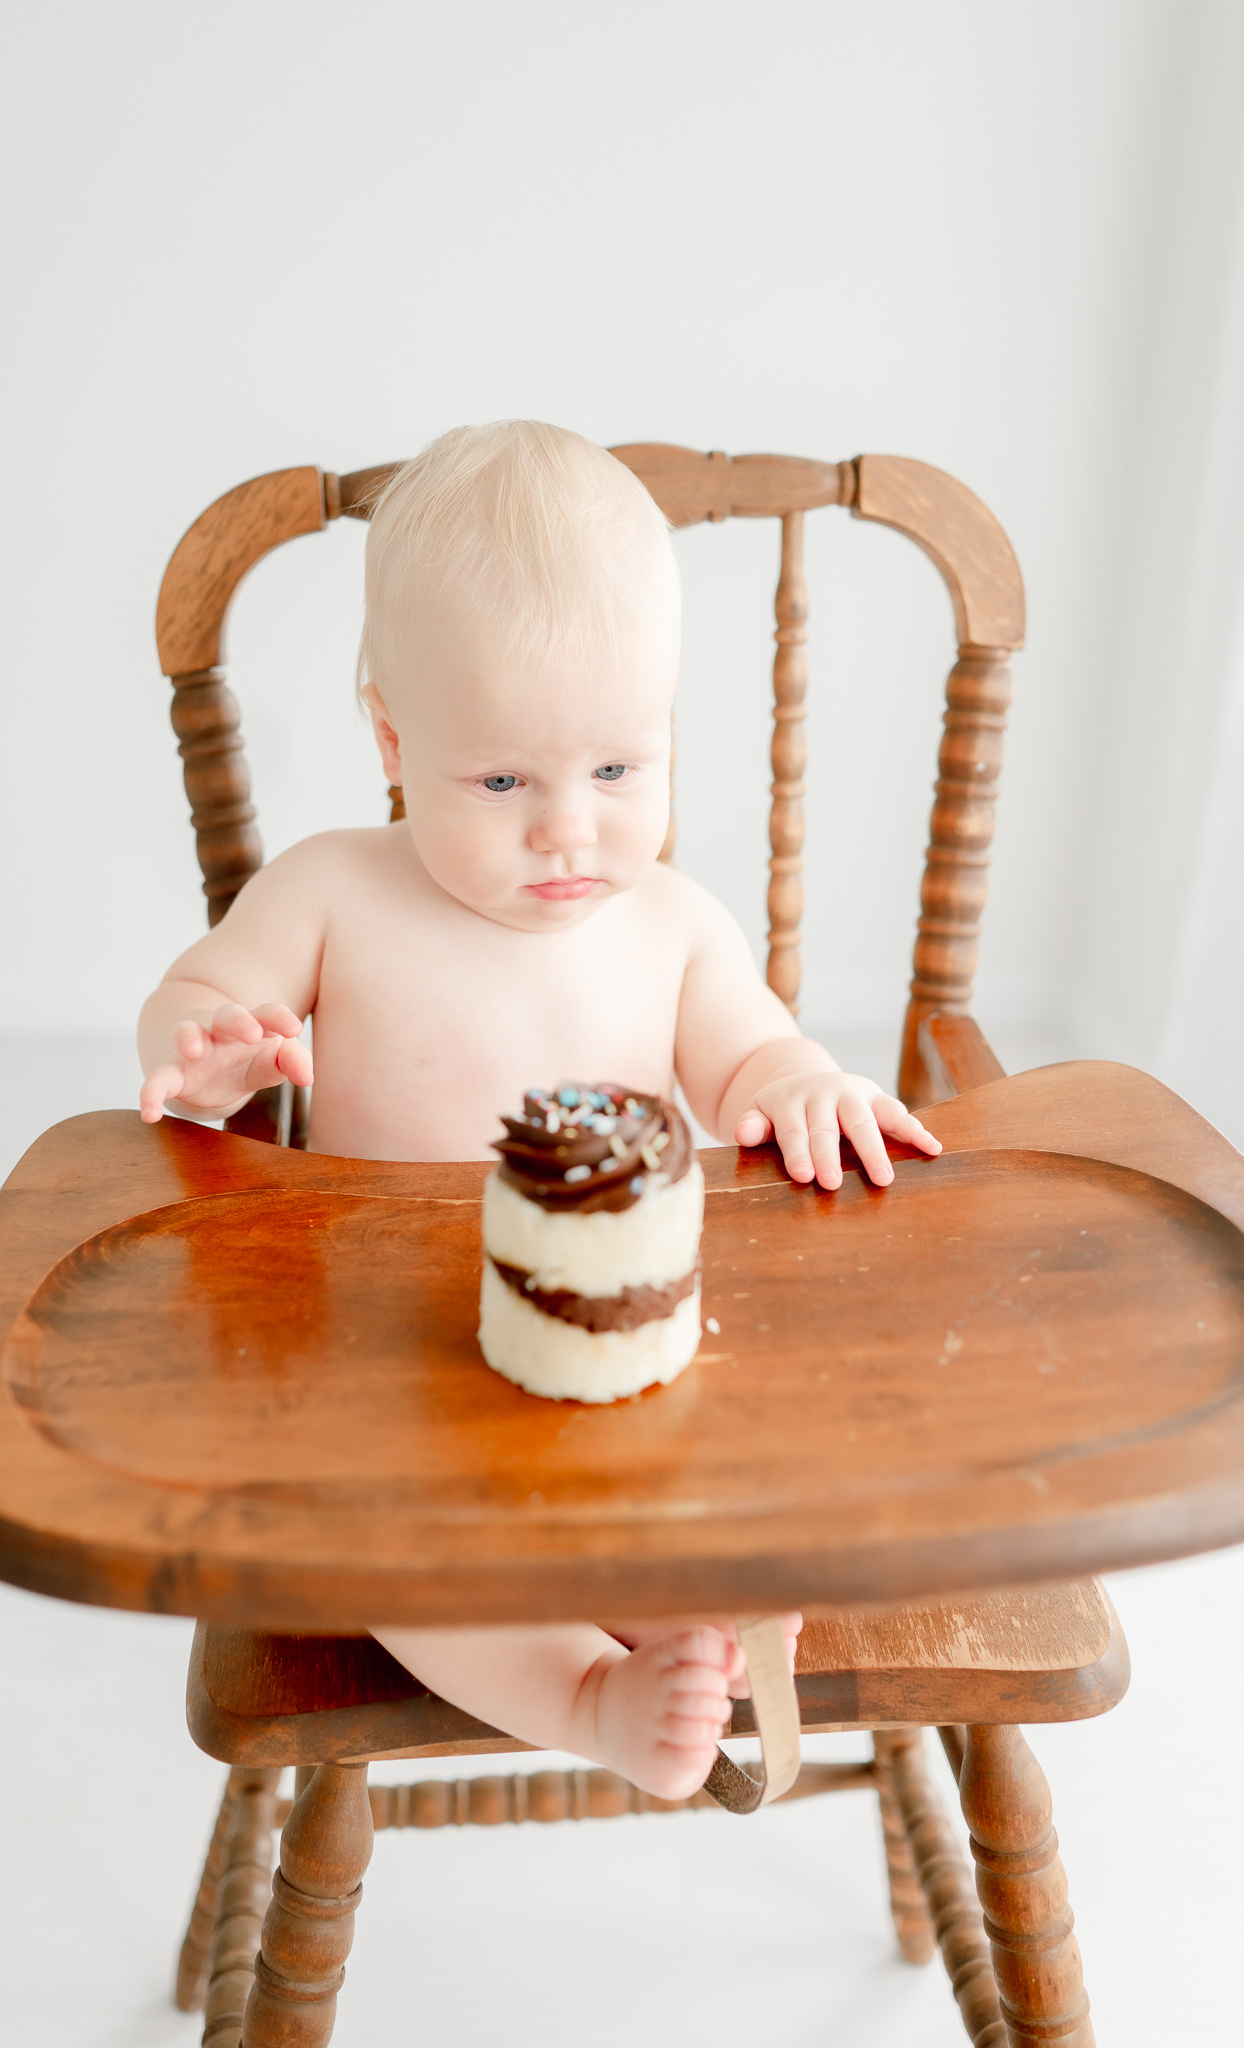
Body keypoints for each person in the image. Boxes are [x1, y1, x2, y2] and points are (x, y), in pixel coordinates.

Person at [138, 421, 942, 1797]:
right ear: (394, 735)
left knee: (771, 1457)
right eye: (503, 781)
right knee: (385, 1549)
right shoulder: (334, 892)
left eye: (618, 772)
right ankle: (588, 1692)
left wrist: (802, 1087)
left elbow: (754, 1062)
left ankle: (696, 1608)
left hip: (626, 1369)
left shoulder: (677, 926)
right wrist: (207, 1058)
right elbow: (203, 994)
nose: (569, 830)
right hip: (395, 1371)